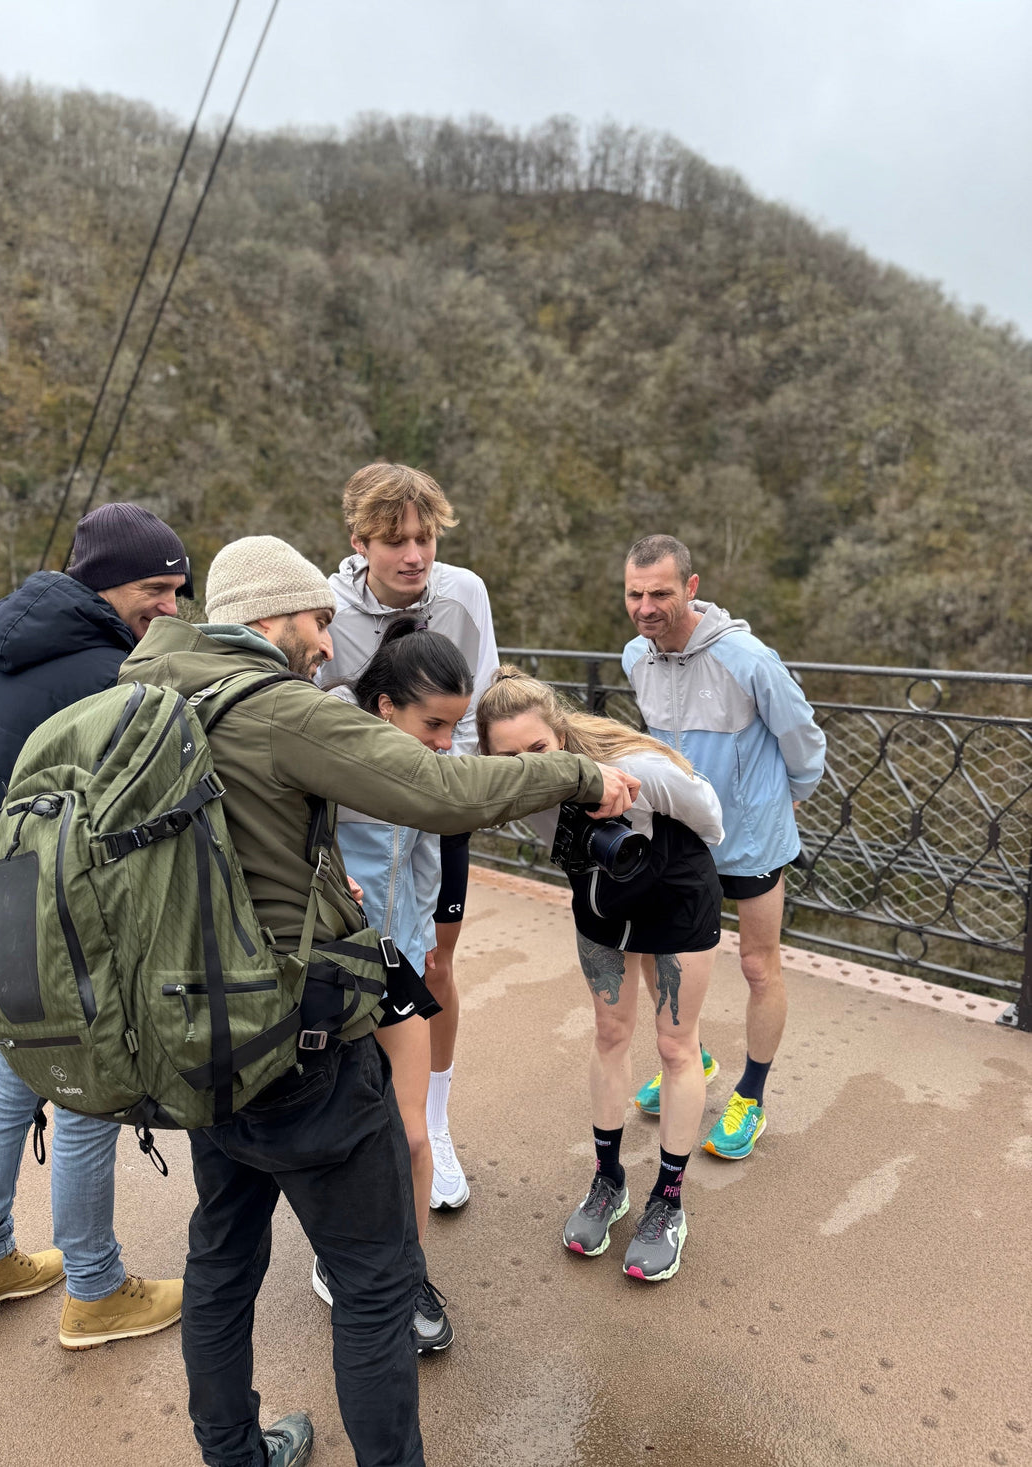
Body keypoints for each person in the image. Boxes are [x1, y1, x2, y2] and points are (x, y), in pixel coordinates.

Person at [122, 534, 639, 1467]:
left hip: (193, 1029)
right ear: (268, 615)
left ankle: (233, 1454)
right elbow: (437, 787)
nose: (329, 643)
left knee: (222, 1261)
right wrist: (577, 773)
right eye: (316, 619)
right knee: (375, 1282)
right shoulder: (275, 708)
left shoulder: (146, 693)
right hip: (293, 1043)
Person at [0, 502, 189, 1347]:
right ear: (105, 584)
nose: (171, 607)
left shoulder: (13, 645)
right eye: (155, 590)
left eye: (179, 591)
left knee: (15, 1079)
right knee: (87, 1099)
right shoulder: (105, 675)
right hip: (63, 927)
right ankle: (95, 1287)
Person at [477, 666, 724, 1281]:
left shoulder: (638, 768)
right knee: (611, 1033)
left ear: (560, 736)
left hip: (675, 896)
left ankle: (668, 1200)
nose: (529, 766)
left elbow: (710, 817)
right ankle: (608, 1180)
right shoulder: (508, 789)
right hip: (601, 899)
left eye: (539, 748)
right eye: (509, 758)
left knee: (676, 1045)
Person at [325, 462, 500, 1214]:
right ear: (359, 542)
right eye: (395, 540)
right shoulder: (324, 607)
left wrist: (448, 791)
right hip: (355, 823)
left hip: (437, 809)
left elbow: (480, 703)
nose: (414, 555)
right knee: (351, 973)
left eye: (425, 538)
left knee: (433, 964)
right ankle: (360, 1142)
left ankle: (433, 1122)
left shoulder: (464, 594)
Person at [622, 534, 826, 1160]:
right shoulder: (635, 657)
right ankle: (695, 1055)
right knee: (657, 953)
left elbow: (803, 737)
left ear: (691, 587)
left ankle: (751, 1097)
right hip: (679, 837)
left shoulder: (747, 658)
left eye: (660, 593)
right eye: (634, 594)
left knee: (759, 966)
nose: (646, 607)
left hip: (752, 839)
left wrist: (790, 797)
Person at [321, 614, 473, 1354]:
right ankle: (338, 1257)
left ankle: (409, 1275)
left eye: (454, 727)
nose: (446, 742)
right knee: (340, 1134)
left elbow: (423, 856)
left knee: (410, 1135)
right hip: (327, 964)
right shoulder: (323, 737)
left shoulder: (425, 760)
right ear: (385, 707)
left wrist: (427, 944)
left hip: (396, 961)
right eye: (433, 724)